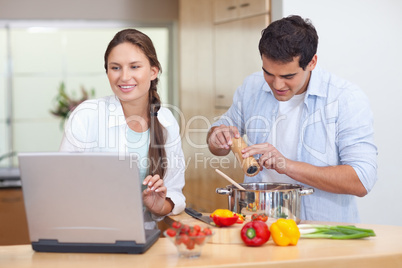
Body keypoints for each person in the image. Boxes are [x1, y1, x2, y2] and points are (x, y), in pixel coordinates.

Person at [207, 15, 377, 223]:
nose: (277, 85)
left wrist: (286, 165)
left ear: (312, 62)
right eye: (268, 73)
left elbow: (362, 180)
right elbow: (219, 141)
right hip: (258, 228)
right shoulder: (252, 87)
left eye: (288, 77)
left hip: (321, 234)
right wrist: (217, 137)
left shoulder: (345, 98)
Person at [60, 29, 186, 229]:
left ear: (153, 71)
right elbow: (62, 184)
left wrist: (160, 206)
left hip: (143, 238)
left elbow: (175, 192)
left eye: (135, 66)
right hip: (89, 233)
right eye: (115, 67)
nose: (124, 77)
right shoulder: (87, 115)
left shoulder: (166, 120)